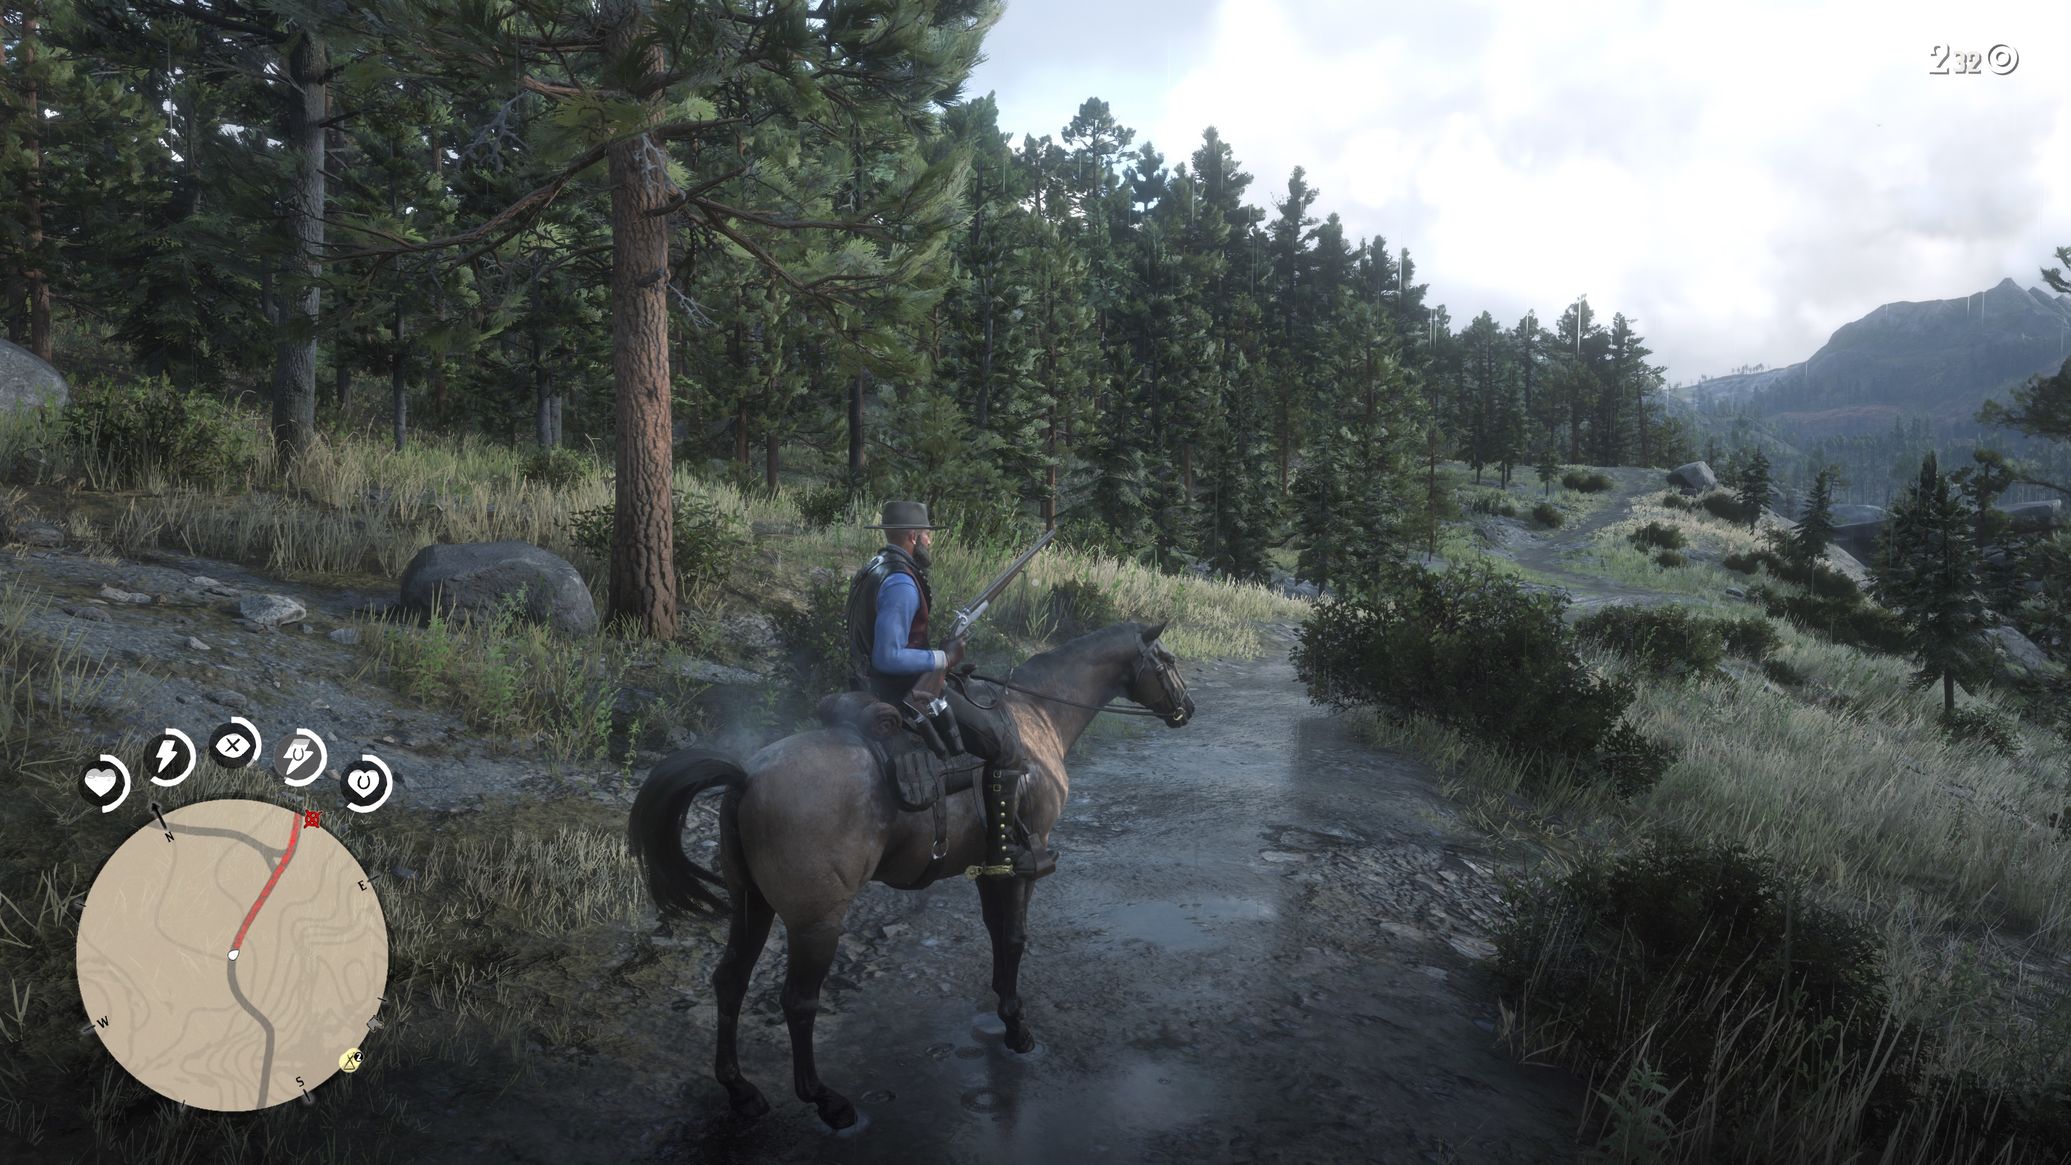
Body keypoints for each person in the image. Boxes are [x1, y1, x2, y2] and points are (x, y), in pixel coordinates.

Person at [845, 500, 1053, 879]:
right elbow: (887, 656)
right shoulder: (901, 582)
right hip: (900, 690)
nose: (930, 540)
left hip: (871, 684)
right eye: (926, 533)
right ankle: (1002, 853)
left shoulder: (874, 567)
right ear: (913, 535)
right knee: (1005, 746)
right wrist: (944, 657)